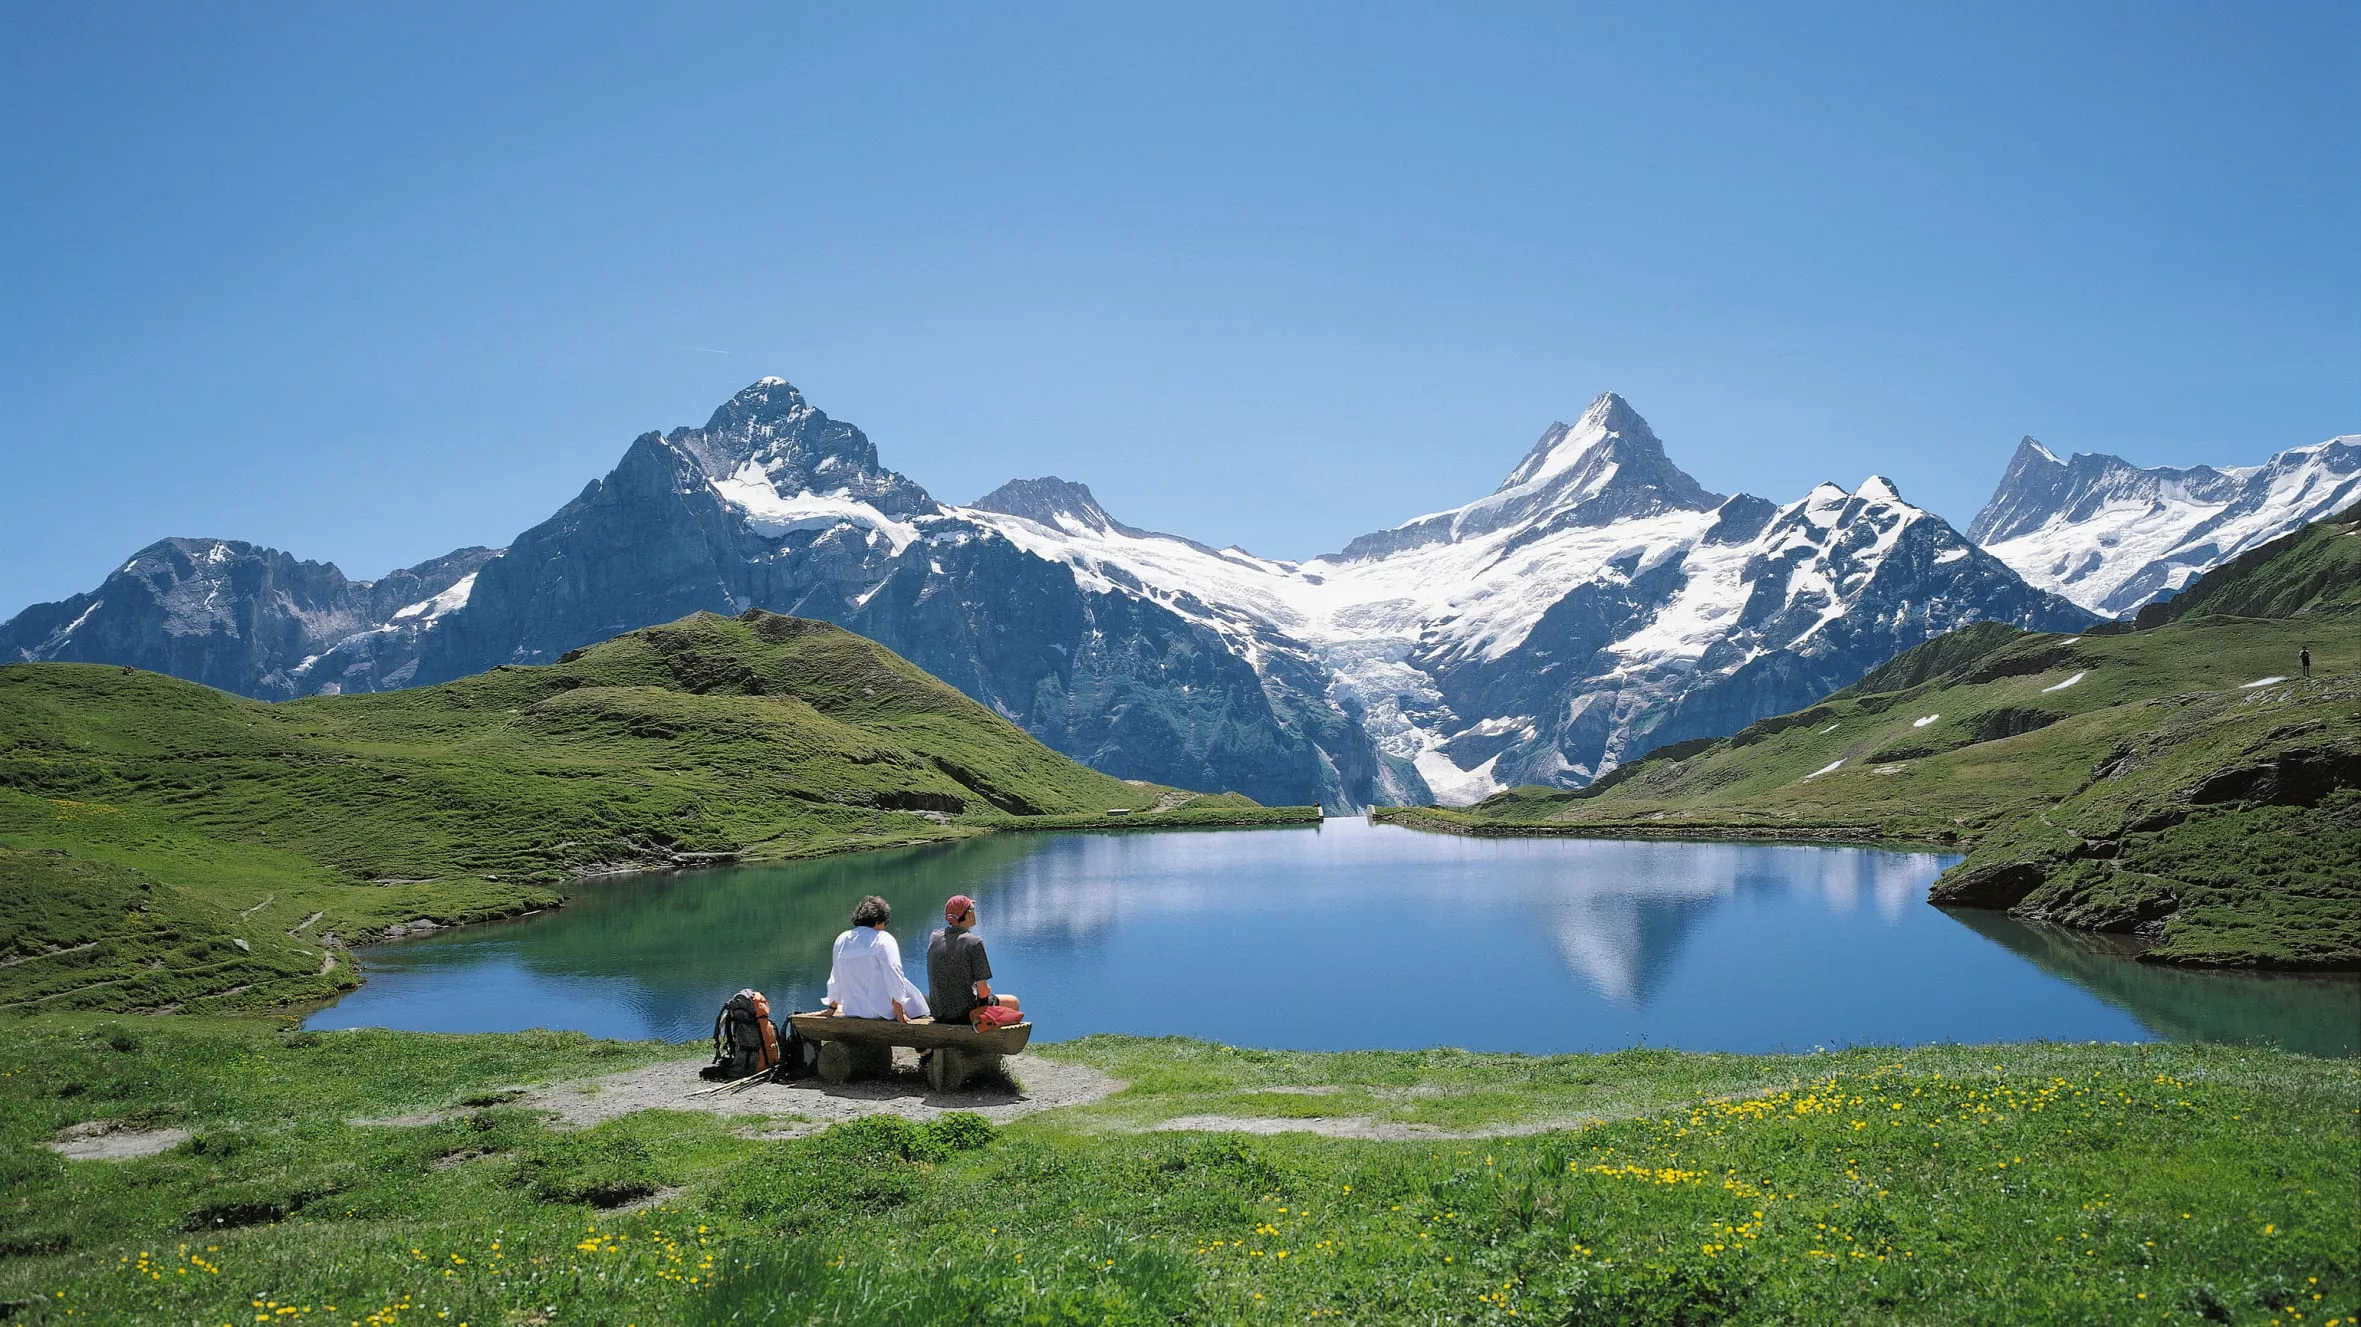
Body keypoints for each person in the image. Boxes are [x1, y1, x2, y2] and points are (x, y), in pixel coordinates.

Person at [820, 895, 928, 1022]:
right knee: (926, 1003)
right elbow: (894, 974)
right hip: (884, 1012)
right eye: (884, 923)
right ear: (878, 921)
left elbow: (835, 977)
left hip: (853, 1010)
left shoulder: (842, 939)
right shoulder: (883, 939)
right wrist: (899, 1011)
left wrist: (832, 1008)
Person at [928, 894, 1020, 1028]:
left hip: (939, 1012)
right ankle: (987, 1042)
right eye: (973, 909)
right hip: (964, 1014)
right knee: (1013, 1002)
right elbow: (983, 992)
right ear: (969, 914)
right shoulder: (973, 942)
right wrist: (987, 989)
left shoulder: (934, 937)